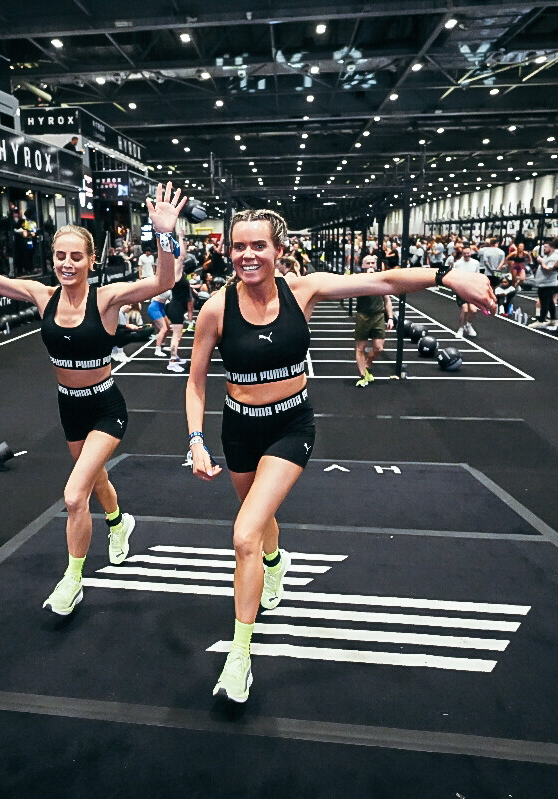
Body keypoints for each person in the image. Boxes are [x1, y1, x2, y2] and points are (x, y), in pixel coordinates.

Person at [184, 208, 495, 703]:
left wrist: (447, 275)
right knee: (257, 518)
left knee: (243, 534)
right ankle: (275, 562)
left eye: (258, 245)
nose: (248, 255)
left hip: (290, 426)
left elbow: (384, 280)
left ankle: (240, 655)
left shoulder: (302, 290)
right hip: (238, 430)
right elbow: (196, 381)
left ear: (279, 250)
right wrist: (196, 441)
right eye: (239, 246)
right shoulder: (216, 309)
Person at [0, 180, 186, 615]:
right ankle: (119, 522)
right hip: (69, 407)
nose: (67, 263)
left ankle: (73, 579)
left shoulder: (108, 298)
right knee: (95, 479)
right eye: (60, 256)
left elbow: (165, 279)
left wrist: (164, 234)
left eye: (76, 256)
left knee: (75, 495)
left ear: (92, 260)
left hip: (105, 407)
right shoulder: (42, 296)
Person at [351, 254, 394, 386]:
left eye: (372, 263)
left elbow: (387, 299)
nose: (370, 265)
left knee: (379, 348)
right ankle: (363, 376)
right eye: (368, 263)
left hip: (378, 316)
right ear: (363, 266)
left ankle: (367, 363)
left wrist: (390, 318)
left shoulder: (381, 279)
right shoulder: (358, 279)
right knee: (361, 347)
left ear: (376, 265)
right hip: (363, 316)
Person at [165, 256, 196, 372]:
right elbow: (180, 258)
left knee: (178, 336)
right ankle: (172, 362)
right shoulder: (177, 275)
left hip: (178, 308)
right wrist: (181, 241)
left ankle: (175, 357)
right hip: (175, 307)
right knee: (176, 336)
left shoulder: (182, 274)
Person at [528, 239, 558, 331]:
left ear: (551, 248)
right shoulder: (547, 256)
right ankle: (553, 319)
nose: (544, 249)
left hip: (548, 284)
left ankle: (541, 320)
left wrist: (541, 261)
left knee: (544, 302)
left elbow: (549, 269)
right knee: (550, 302)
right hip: (544, 283)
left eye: (546, 247)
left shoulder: (553, 257)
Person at [452, 244, 482, 338]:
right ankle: (460, 328)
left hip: (472, 289)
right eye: (465, 253)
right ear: (462, 254)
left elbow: (477, 276)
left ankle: (468, 325)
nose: (467, 255)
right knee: (465, 309)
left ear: (471, 253)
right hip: (461, 289)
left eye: (468, 253)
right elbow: (454, 276)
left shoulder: (476, 263)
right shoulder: (457, 264)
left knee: (473, 310)